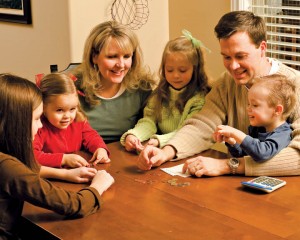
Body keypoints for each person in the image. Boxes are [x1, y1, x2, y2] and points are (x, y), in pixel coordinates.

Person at [137, 10, 300, 177]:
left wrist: (229, 166)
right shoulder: (227, 82)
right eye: (227, 57)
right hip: (238, 188)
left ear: (262, 48)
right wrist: (167, 152)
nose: (233, 66)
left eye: (240, 56)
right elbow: (203, 125)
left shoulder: (295, 84)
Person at [0, 73, 114, 240]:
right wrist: (98, 185)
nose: (40, 126)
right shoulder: (6, 167)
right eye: (37, 118)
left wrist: (66, 174)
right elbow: (74, 205)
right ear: (16, 122)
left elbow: (27, 171)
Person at [120, 30, 210, 152]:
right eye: (170, 70)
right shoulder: (159, 93)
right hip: (161, 150)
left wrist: (159, 140)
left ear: (195, 70)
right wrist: (134, 135)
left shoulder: (199, 99)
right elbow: (149, 120)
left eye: (182, 70)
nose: (175, 76)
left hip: (187, 152)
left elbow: (187, 133)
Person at [70, 21, 156, 143]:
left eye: (126, 56)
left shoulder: (142, 87)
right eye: (112, 57)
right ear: (94, 56)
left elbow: (150, 125)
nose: (121, 64)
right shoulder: (72, 87)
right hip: (84, 157)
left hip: (125, 155)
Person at [33, 73, 110, 168]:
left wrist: (100, 148)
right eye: (60, 110)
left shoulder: (78, 120)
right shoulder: (38, 127)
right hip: (52, 177)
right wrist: (64, 159)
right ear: (43, 108)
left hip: (79, 170)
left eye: (72, 109)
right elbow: (33, 156)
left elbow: (91, 136)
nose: (67, 116)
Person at [214, 74, 296, 162]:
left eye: (255, 105)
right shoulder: (257, 129)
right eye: (248, 104)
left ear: (277, 110)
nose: (248, 108)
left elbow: (262, 154)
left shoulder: (283, 134)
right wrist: (233, 143)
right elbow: (246, 155)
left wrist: (236, 133)